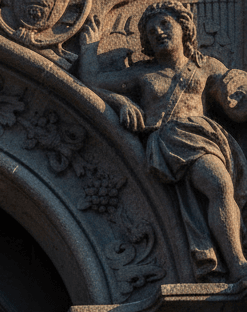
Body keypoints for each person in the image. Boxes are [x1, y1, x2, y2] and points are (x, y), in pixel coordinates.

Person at [78, 1, 247, 282]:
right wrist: (117, 97)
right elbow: (92, 82)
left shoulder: (206, 67)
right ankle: (236, 262)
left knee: (220, 185)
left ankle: (235, 260)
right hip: (168, 139)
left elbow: (234, 106)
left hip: (204, 137)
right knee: (217, 184)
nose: (158, 32)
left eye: (165, 24)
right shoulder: (144, 74)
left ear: (185, 28)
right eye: (151, 30)